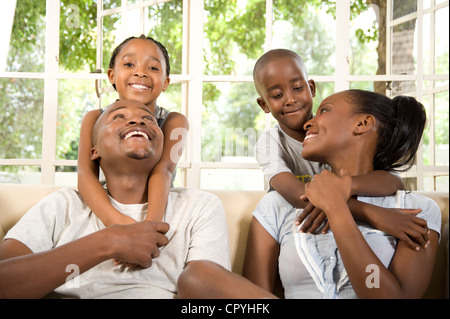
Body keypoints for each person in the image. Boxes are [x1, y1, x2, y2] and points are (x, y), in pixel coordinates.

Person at [177, 90, 441, 299]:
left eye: (323, 110)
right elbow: (256, 297)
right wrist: (349, 204)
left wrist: (337, 208)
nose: (308, 122)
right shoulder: (276, 206)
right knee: (197, 276)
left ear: (363, 123)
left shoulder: (417, 210)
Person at [0, 99, 229, 299]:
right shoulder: (63, 205)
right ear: (94, 151)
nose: (137, 121)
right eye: (118, 116)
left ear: (163, 150)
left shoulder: (200, 207)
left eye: (147, 119)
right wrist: (108, 241)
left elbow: (209, 289)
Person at [252, 49, 429, 250]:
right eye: (277, 95)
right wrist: (372, 213)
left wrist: (346, 186)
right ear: (264, 105)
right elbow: (298, 194)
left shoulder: (333, 135)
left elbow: (393, 181)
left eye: (298, 88)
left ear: (311, 88)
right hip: (296, 221)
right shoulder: (269, 143)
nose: (290, 99)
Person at [78, 35, 189, 229]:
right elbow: (86, 175)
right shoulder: (94, 119)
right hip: (106, 213)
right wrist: (118, 223)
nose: (140, 73)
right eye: (129, 64)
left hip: (158, 212)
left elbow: (163, 171)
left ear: (165, 82)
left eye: (153, 68)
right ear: (112, 75)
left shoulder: (175, 122)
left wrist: (150, 227)